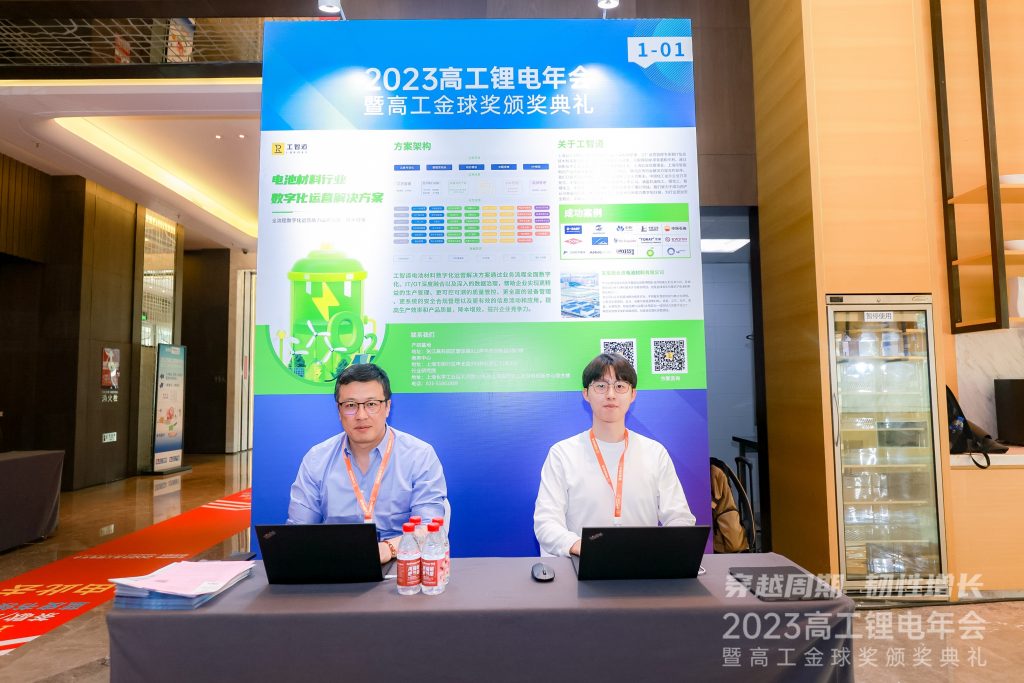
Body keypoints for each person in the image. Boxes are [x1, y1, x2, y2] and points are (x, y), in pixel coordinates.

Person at [534, 352, 696, 556]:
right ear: (586, 394)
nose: (610, 394)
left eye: (620, 386)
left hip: (644, 567)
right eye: (601, 386)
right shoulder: (562, 454)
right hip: (582, 565)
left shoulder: (655, 453)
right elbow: (546, 522)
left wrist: (663, 548)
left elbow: (680, 518)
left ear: (633, 394)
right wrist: (583, 547)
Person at [287, 363, 447, 564]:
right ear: (339, 411)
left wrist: (388, 548)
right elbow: (297, 532)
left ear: (387, 407)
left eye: (371, 404)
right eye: (350, 405)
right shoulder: (316, 459)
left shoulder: (419, 456)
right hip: (336, 564)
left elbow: (430, 528)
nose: (361, 415)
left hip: (402, 563)